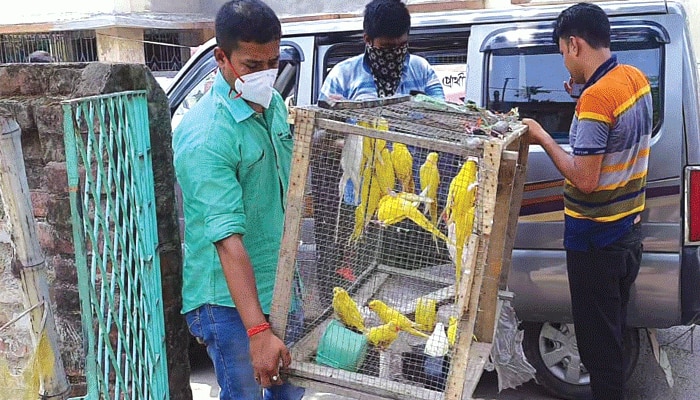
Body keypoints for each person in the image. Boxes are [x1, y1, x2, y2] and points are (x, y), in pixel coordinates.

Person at [172, 1, 304, 399]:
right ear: (221, 58)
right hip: (229, 304)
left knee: (288, 395)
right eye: (251, 64)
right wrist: (258, 330)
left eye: (273, 61)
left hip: (278, 286)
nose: (265, 73)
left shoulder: (273, 105)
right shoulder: (207, 134)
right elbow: (227, 241)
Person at [523, 3, 652, 399]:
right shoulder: (635, 78)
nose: (564, 62)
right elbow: (615, 136)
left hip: (596, 244)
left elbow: (585, 177)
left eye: (563, 52)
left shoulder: (597, 99)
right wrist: (583, 94)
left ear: (575, 44)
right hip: (628, 235)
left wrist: (542, 136)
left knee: (598, 350)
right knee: (612, 332)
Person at [311, 0, 448, 301]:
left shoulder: (421, 72)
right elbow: (318, 136)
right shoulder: (343, 76)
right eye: (386, 48)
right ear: (367, 41)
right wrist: (353, 138)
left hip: (410, 202)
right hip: (359, 201)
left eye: (401, 46)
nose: (395, 54)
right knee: (362, 289)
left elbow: (445, 120)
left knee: (408, 289)